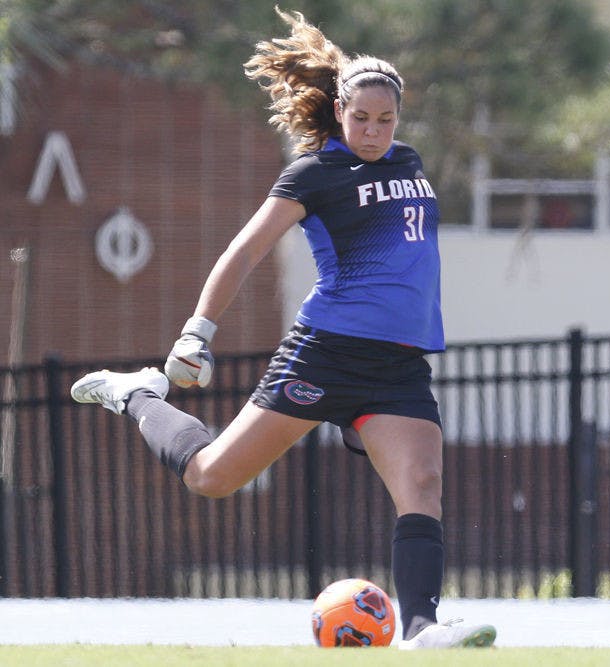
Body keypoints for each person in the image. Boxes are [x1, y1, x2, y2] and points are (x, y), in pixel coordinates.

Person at [70, 8, 495, 651]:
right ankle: (137, 395)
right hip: (325, 354)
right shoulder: (314, 174)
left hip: (399, 365)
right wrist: (197, 332)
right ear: (339, 111)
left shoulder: (407, 161)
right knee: (212, 476)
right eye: (361, 118)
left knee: (423, 487)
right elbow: (244, 252)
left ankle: (420, 628)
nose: (374, 131)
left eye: (386, 119)